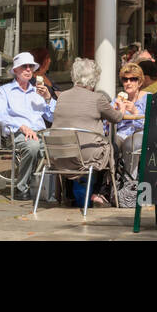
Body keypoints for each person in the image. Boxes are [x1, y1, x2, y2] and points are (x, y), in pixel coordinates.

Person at [49, 57, 121, 206]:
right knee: (112, 148)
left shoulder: (61, 97)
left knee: (78, 149)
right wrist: (123, 108)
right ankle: (98, 193)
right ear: (94, 79)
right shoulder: (97, 98)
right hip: (85, 155)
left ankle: (72, 195)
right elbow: (116, 118)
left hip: (58, 153)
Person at [0, 51, 56, 201]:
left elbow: (52, 117)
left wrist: (48, 99)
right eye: (24, 66)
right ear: (15, 70)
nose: (28, 69)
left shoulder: (38, 91)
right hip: (17, 133)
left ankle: (57, 190)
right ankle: (22, 186)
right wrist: (21, 126)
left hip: (41, 132)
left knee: (61, 146)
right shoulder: (4, 91)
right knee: (33, 146)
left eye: (30, 67)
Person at [112, 62, 149, 168]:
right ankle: (111, 179)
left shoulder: (147, 98)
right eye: (125, 79)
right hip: (121, 135)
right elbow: (108, 124)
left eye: (133, 79)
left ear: (140, 82)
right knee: (110, 145)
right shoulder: (117, 101)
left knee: (132, 143)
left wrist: (135, 111)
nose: (128, 82)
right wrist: (118, 113)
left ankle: (129, 180)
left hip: (140, 136)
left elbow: (151, 124)